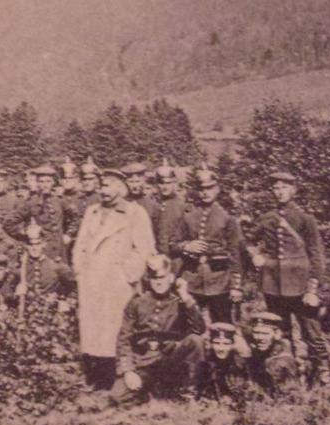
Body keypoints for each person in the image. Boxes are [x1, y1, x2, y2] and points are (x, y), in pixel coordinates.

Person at [72, 168, 156, 394]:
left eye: (108, 185)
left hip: (116, 282)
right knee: (93, 330)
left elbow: (145, 248)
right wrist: (79, 270)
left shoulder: (134, 213)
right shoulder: (93, 211)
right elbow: (80, 243)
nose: (103, 190)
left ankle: (116, 377)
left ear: (121, 187)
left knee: (115, 329)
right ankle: (95, 376)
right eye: (102, 185)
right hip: (91, 280)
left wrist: (127, 274)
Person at [246, 169, 330, 387]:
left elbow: (316, 255)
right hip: (273, 284)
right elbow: (246, 240)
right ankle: (287, 374)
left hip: (301, 286)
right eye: (275, 188)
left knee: (312, 333)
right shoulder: (266, 218)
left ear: (293, 190)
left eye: (284, 187)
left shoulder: (305, 219)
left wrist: (313, 289)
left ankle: (323, 373)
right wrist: (255, 254)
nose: (279, 192)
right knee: (280, 332)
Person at [115, 255, 207, 403]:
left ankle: (188, 395)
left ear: (171, 277)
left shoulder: (179, 302)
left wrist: (185, 296)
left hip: (170, 361)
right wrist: (128, 371)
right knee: (118, 397)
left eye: (162, 277)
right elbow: (124, 338)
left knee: (195, 341)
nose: (158, 282)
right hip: (143, 362)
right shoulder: (137, 302)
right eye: (154, 278)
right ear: (149, 280)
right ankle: (150, 390)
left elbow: (199, 329)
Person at [162, 167, 245, 325]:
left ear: (217, 189)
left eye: (209, 188)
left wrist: (236, 286)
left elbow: (236, 253)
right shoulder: (188, 216)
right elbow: (173, 244)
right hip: (192, 279)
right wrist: (187, 246)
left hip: (219, 280)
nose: (205, 192)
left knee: (223, 325)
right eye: (201, 189)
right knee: (189, 323)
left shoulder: (227, 218)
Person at [191, 322, 264, 403]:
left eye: (226, 344)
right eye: (217, 343)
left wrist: (232, 398)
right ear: (210, 344)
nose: (221, 348)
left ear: (232, 345)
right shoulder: (204, 363)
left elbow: (248, 389)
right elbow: (199, 389)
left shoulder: (239, 364)